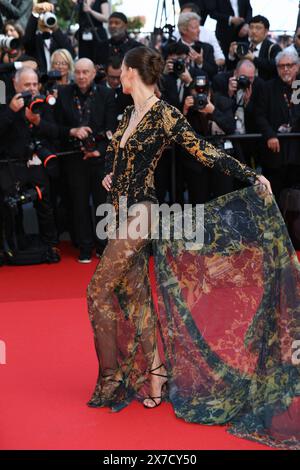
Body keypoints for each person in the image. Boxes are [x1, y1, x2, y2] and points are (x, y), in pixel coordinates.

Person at [86, 47, 299, 450]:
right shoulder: (125, 116)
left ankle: (111, 378)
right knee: (134, 297)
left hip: (142, 213)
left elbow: (203, 150)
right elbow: (114, 163)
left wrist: (249, 175)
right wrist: (108, 176)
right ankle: (157, 373)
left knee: (96, 290)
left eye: (123, 73)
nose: (119, 78)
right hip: (116, 212)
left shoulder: (164, 114)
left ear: (133, 72)